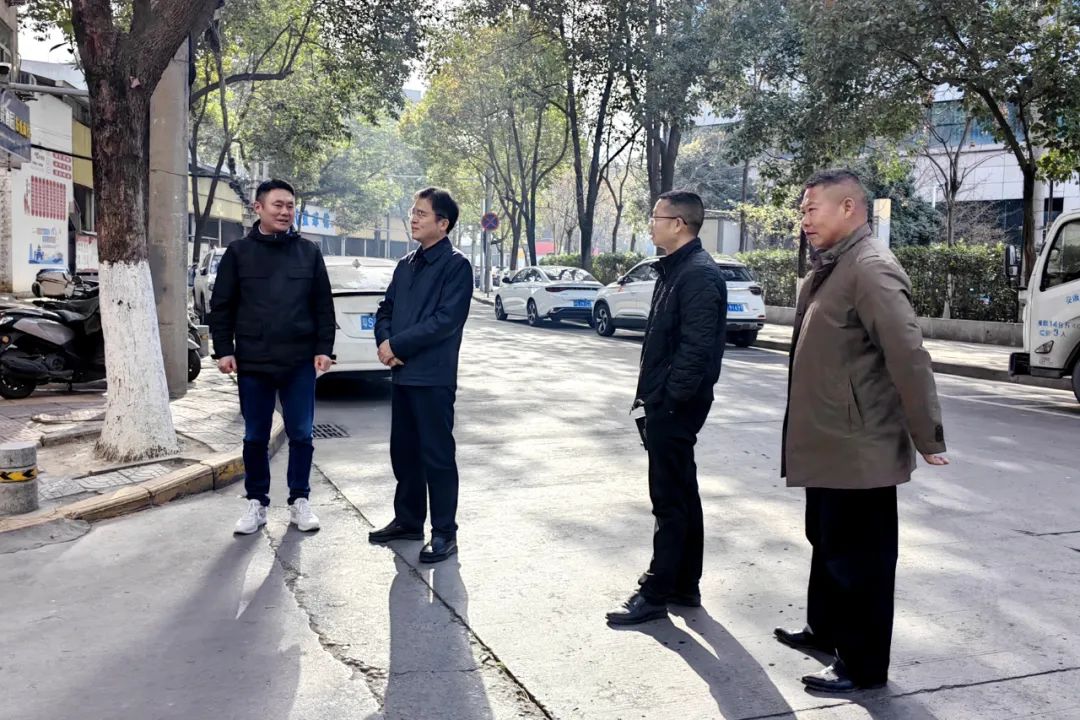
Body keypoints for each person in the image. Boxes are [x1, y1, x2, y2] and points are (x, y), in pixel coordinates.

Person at [775, 169, 949, 693]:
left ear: (849, 208)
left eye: (812, 209)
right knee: (827, 542)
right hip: (830, 439)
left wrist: (927, 436)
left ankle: (863, 665)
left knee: (861, 560)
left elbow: (908, 354)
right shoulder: (834, 264)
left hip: (860, 446)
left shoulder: (870, 268)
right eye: (802, 211)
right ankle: (826, 632)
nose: (804, 220)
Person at [606, 190, 728, 626]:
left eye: (656, 217)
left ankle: (656, 591)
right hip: (668, 402)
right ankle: (684, 583)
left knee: (669, 498)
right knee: (682, 492)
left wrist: (667, 401)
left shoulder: (697, 274)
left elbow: (695, 351)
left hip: (676, 406)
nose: (650, 224)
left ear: (678, 224)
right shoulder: (677, 268)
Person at [208, 179, 335, 536]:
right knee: (254, 436)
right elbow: (222, 306)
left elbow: (323, 306)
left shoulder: (308, 252)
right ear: (258, 207)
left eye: (290, 206)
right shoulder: (239, 253)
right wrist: (224, 349)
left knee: (302, 434)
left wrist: (324, 348)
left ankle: (300, 500)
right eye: (277, 205)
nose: (284, 212)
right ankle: (256, 502)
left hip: (299, 362)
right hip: (254, 362)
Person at [368, 187, 473, 564]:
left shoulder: (456, 266)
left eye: (422, 214)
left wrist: (397, 345)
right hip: (402, 375)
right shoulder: (406, 264)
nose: (413, 218)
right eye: (413, 212)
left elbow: (445, 321)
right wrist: (385, 342)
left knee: (437, 457)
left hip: (433, 377)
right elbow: (386, 309)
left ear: (443, 224)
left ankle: (444, 533)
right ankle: (408, 521)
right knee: (405, 453)